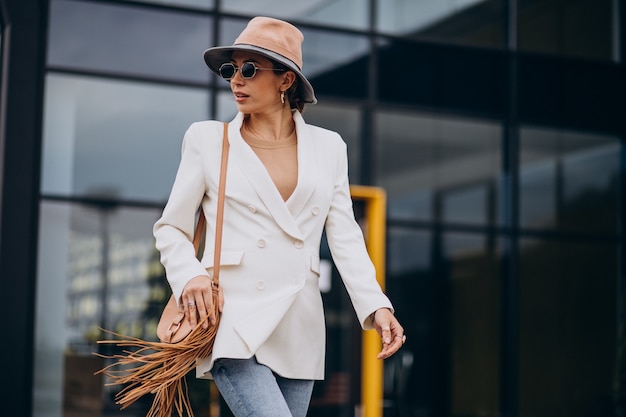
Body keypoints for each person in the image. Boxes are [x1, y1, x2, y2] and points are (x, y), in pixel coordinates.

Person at [153, 16, 405, 417]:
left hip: (298, 322)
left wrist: (376, 305)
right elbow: (171, 228)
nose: (237, 80)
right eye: (230, 69)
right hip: (233, 318)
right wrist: (190, 276)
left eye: (250, 69)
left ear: (286, 81)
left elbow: (344, 237)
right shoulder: (207, 140)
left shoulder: (329, 148)